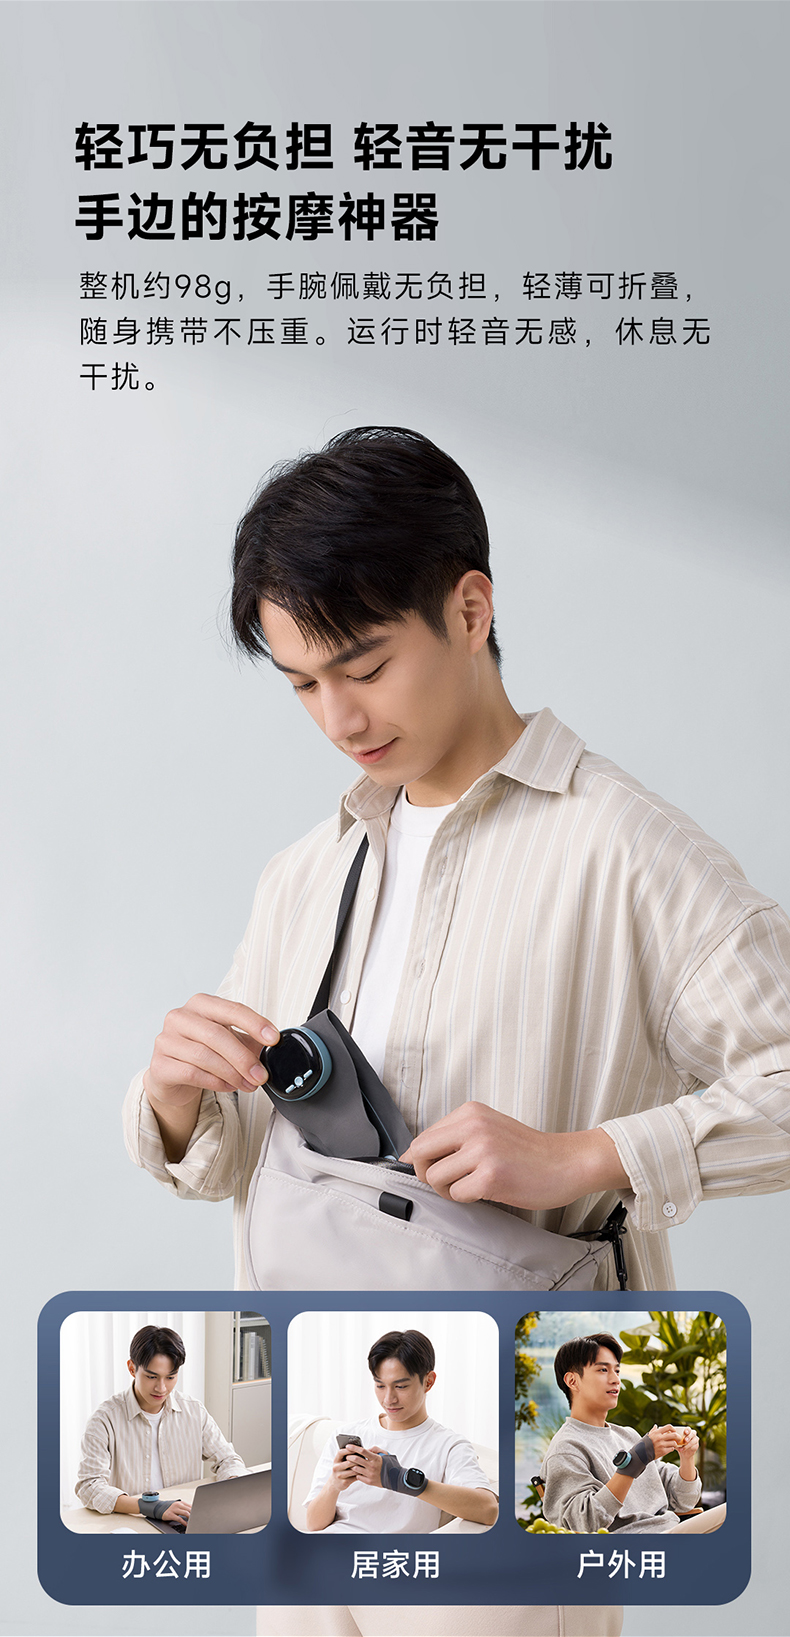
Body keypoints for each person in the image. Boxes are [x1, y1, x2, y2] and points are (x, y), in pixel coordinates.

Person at [123, 425, 790, 1295]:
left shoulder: (628, 850)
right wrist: (175, 1097)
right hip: (320, 1364)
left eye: (366, 668)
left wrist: (585, 1156)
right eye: (304, 684)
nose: (339, 721)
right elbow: (234, 1161)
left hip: (547, 1365)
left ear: (471, 612)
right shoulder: (305, 876)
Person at [301, 1328, 497, 1534]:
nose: (388, 1399)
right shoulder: (345, 1435)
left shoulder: (449, 1445)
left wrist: (399, 1479)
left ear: (428, 1382)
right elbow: (313, 1524)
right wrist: (333, 1485)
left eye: (401, 1387)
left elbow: (488, 1509)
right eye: (380, 1386)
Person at [539, 1331, 726, 1534]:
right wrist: (636, 1461)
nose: (615, 1380)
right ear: (572, 1381)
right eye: (603, 1370)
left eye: (617, 1371)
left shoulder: (628, 1436)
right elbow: (583, 1522)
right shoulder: (566, 1448)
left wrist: (687, 1458)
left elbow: (684, 1501)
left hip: (670, 1532)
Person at [75, 1324, 245, 1519]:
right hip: (132, 1519)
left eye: (170, 1377)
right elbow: (89, 1486)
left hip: (185, 1518)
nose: (162, 1388)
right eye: (151, 1376)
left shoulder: (193, 1411)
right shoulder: (104, 1420)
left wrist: (234, 1484)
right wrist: (150, 1507)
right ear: (132, 1368)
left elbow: (228, 1459)